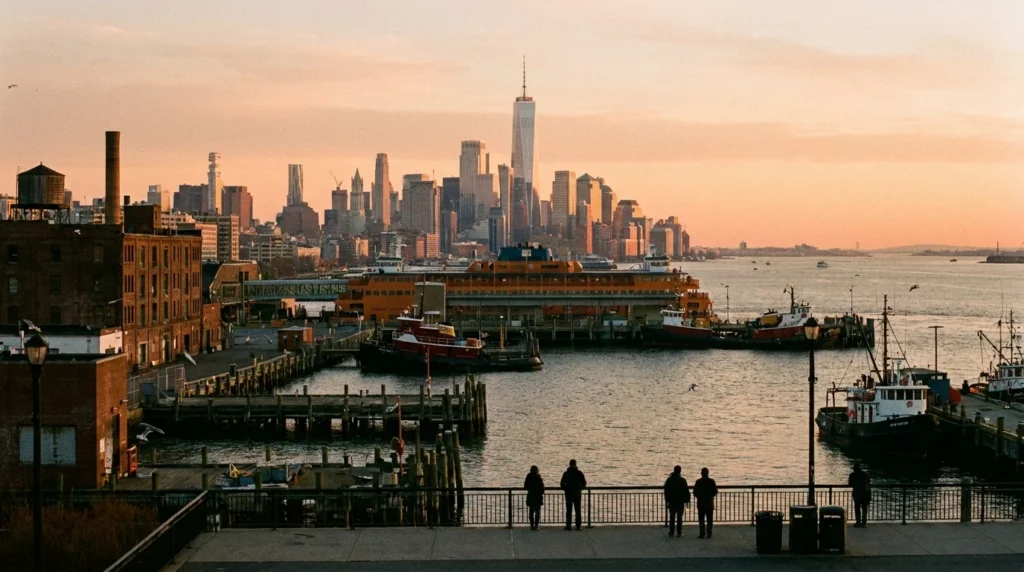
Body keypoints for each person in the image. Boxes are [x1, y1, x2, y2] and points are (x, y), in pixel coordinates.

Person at [663, 465, 691, 537]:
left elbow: (666, 490)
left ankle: (671, 531)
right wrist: (687, 500)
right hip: (680, 502)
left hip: (672, 501)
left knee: (672, 517)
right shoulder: (682, 480)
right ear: (680, 471)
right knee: (679, 517)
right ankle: (679, 532)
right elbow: (686, 491)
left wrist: (667, 500)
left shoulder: (669, 480)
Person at [560, 459, 587, 530]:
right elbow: (584, 483)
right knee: (577, 510)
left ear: (569, 464)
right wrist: (580, 488)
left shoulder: (566, 473)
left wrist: (566, 489)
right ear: (575, 464)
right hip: (577, 494)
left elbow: (562, 484)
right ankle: (578, 526)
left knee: (569, 510)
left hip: (568, 494)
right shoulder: (579, 473)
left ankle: (568, 525)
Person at [693, 467, 718, 539]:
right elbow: (715, 491)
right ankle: (709, 532)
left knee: (701, 519)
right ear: (708, 473)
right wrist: (710, 496)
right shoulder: (711, 481)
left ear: (701, 473)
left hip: (701, 503)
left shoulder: (698, 482)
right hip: (709, 503)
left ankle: (702, 533)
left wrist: (699, 497)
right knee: (709, 519)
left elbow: (695, 492)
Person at [524, 465, 545, 530]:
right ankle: (536, 525)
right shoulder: (539, 478)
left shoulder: (528, 477)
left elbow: (525, 487)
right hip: (537, 497)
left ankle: (531, 525)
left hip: (530, 496)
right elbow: (542, 489)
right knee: (537, 512)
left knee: (531, 511)